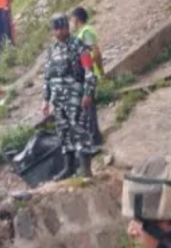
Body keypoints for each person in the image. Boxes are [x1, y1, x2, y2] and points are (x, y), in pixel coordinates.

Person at [42, 13, 96, 179]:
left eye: (61, 28)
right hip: (58, 100)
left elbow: (89, 71)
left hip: (75, 96)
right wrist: (45, 100)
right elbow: (47, 77)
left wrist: (88, 93)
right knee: (63, 133)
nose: (59, 32)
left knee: (79, 130)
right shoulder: (52, 50)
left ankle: (85, 169)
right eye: (56, 29)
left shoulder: (79, 46)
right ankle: (69, 167)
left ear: (67, 27)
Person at [70, 6, 103, 146]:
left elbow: (95, 52)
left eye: (71, 20)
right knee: (87, 108)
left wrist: (99, 70)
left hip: (89, 74)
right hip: (85, 74)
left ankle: (95, 138)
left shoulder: (86, 32)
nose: (70, 23)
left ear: (77, 20)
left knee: (90, 107)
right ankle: (93, 135)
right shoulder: (81, 34)